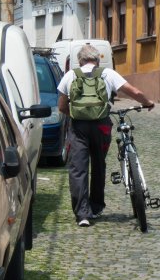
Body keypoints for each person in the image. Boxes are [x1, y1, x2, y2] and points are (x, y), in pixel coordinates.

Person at [57, 44, 154, 227]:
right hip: (101, 126)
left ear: (80, 60)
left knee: (78, 169)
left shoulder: (70, 75)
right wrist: (147, 102)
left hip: (78, 127)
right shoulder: (107, 74)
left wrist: (78, 116)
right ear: (97, 60)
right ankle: (96, 207)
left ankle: (82, 214)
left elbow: (62, 106)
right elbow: (134, 91)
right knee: (99, 165)